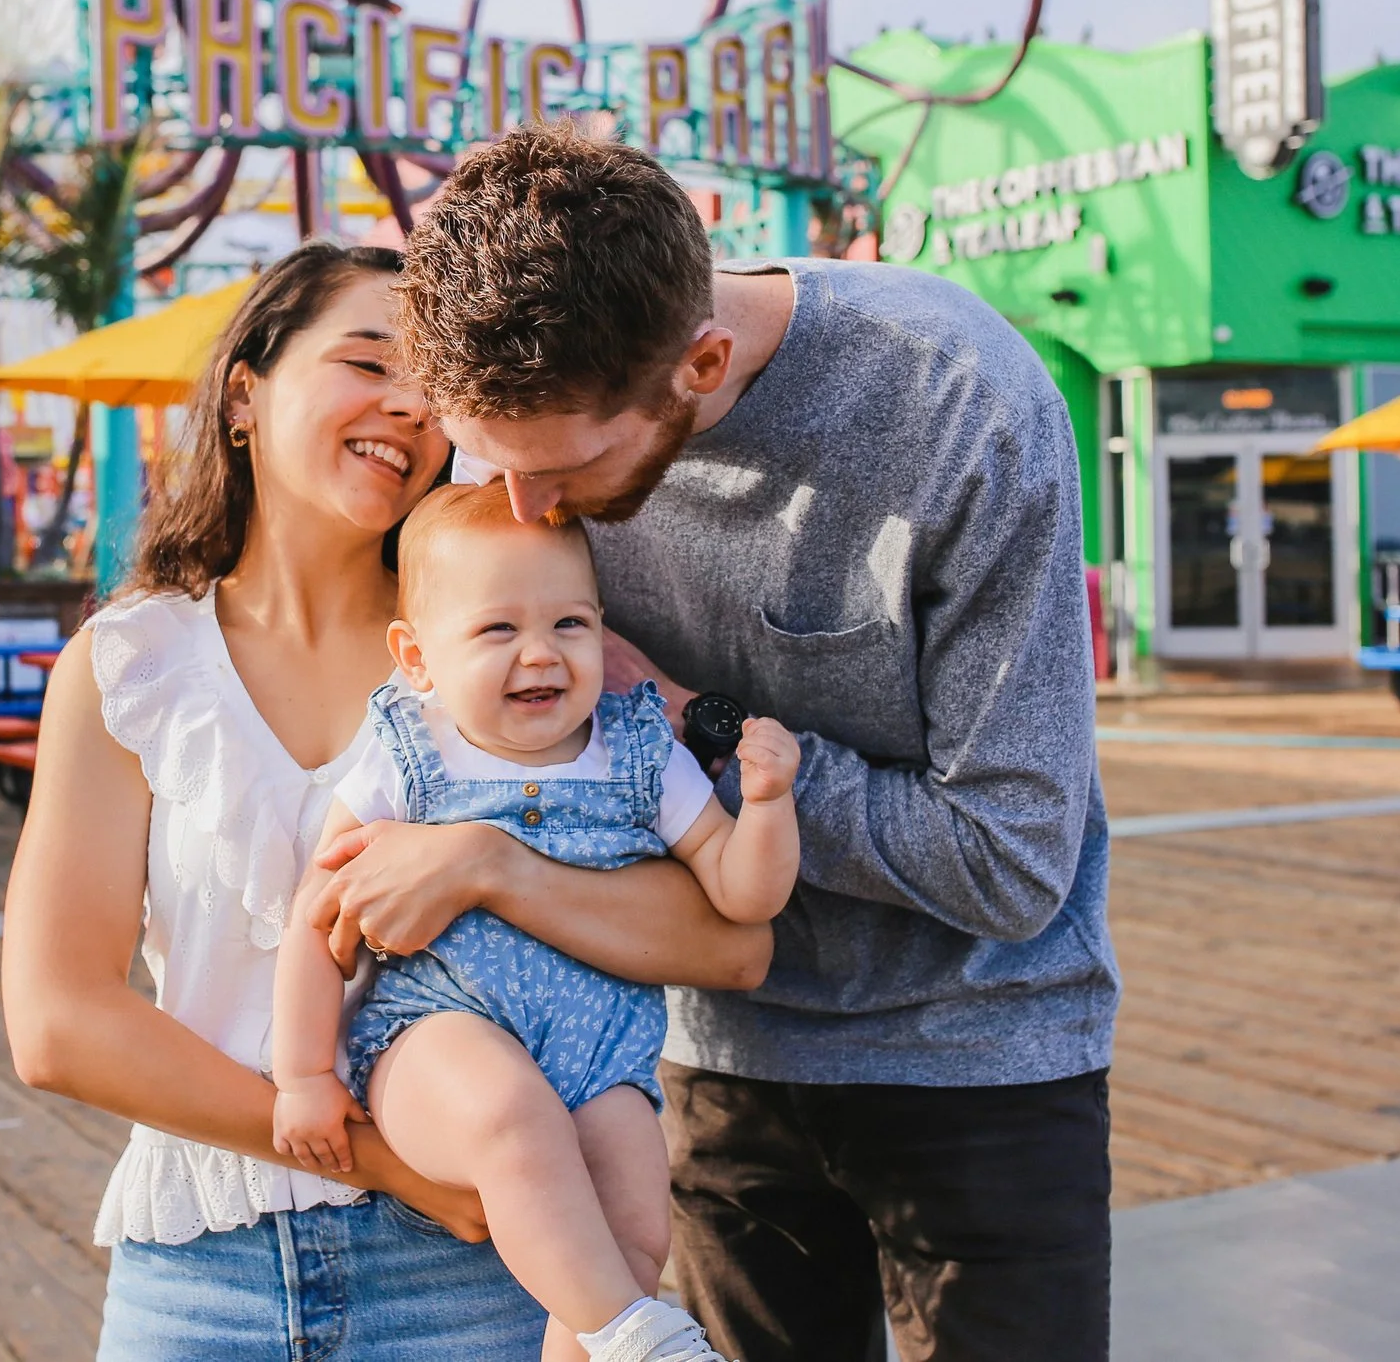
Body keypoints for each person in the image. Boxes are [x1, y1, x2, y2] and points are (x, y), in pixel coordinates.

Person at [307, 125, 1119, 1362]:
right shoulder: (529, 417)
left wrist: (694, 720)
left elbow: (1010, 860)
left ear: (700, 362)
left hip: (982, 1055)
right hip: (697, 1056)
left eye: (564, 468)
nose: (527, 511)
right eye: (494, 465)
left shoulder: (961, 405)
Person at [1, 241, 773, 1362]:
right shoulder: (132, 664)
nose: (408, 405)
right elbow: (58, 1023)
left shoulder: (526, 648)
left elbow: (731, 943)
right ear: (243, 394)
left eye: (431, 385)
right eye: (368, 363)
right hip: (205, 1276)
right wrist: (381, 1159)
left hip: (485, 1274)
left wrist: (493, 865)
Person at [271, 482, 802, 1362]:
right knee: (510, 1111)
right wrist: (302, 1073)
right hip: (438, 1034)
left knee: (633, 1236)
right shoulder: (410, 757)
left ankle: (623, 1330)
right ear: (418, 658)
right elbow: (317, 918)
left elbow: (744, 896)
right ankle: (650, 1339)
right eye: (498, 629)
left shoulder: (639, 753)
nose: (541, 653)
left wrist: (770, 805)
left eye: (569, 624)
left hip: (600, 1057)